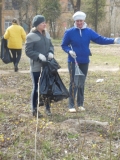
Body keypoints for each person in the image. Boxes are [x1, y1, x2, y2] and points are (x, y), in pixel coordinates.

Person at [61, 11, 120, 113]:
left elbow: (100, 39)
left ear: (84, 20)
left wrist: (113, 40)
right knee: (74, 82)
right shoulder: (69, 32)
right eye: (77, 21)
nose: (79, 22)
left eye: (81, 21)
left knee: (81, 82)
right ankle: (71, 104)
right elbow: (63, 45)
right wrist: (69, 51)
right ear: (75, 21)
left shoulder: (88, 31)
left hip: (84, 61)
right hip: (73, 61)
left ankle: (80, 104)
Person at [25, 15, 54, 117]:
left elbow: (51, 45)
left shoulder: (47, 35)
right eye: (42, 23)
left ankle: (47, 108)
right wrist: (38, 55)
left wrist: (51, 52)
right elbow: (28, 51)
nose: (44, 24)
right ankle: (34, 109)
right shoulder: (31, 36)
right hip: (36, 66)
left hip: (47, 65)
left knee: (47, 87)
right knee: (37, 87)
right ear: (37, 25)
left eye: (45, 22)